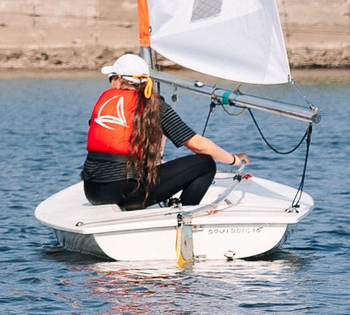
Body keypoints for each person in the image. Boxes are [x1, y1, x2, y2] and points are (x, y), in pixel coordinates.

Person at [81, 53, 248, 210]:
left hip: (92, 191)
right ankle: (184, 216)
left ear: (118, 80)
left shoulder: (104, 102)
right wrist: (234, 160)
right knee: (205, 163)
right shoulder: (155, 107)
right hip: (126, 193)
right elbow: (198, 145)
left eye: (111, 78)